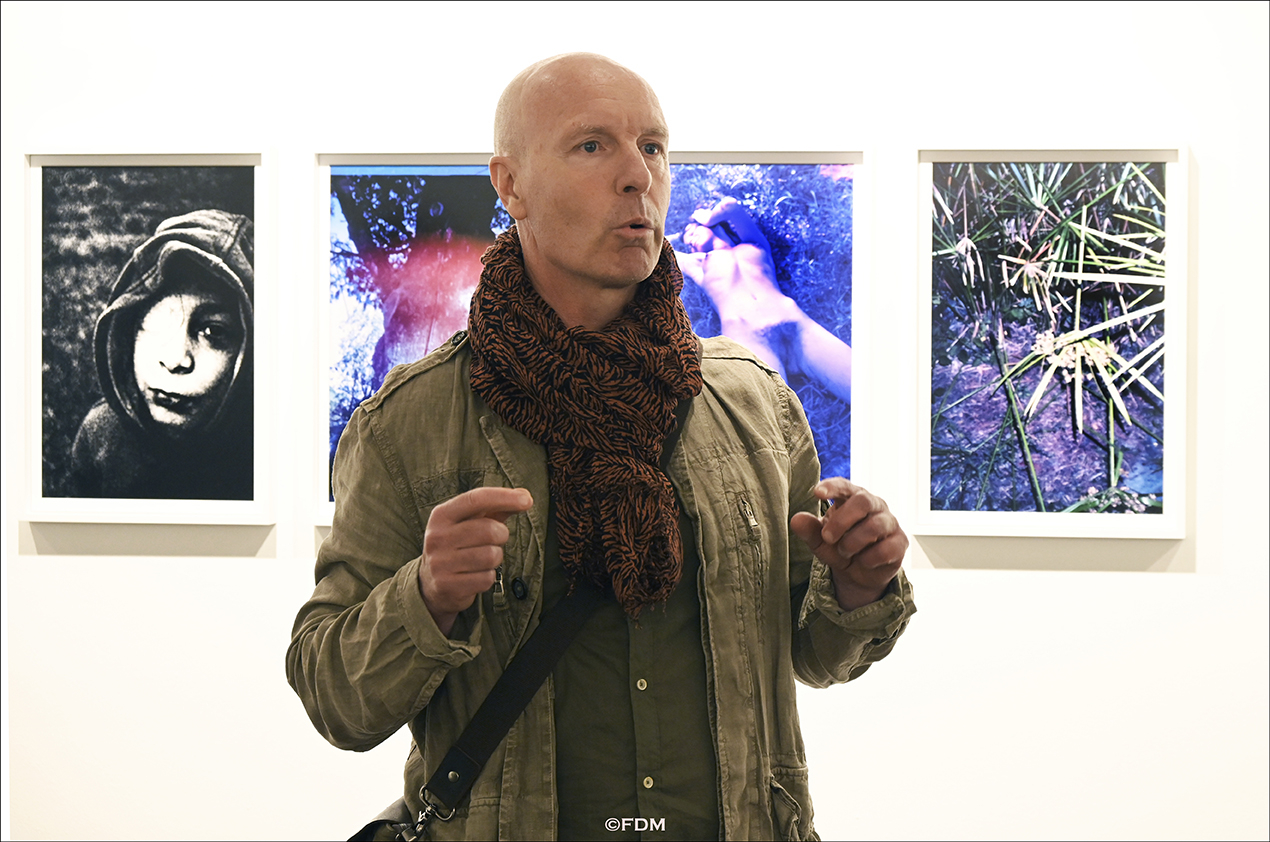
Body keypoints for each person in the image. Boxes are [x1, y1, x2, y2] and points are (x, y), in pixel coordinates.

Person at [287, 53, 915, 841]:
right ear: (510, 184)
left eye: (652, 147)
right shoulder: (411, 422)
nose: (637, 176)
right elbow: (335, 698)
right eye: (593, 146)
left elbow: (818, 654)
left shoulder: (753, 402)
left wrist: (857, 585)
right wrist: (426, 596)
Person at [69, 209, 254, 499]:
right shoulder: (100, 435)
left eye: (213, 332)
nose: (175, 360)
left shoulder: (272, 451)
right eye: (153, 320)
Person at [675, 197, 853, 403]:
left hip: (796, 325)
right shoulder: (700, 264)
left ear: (712, 224)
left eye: (692, 231)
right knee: (763, 419)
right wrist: (675, 234)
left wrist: (706, 216)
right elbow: (659, 248)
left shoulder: (754, 243)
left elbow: (730, 206)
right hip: (749, 339)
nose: (689, 240)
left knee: (867, 388)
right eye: (687, 241)